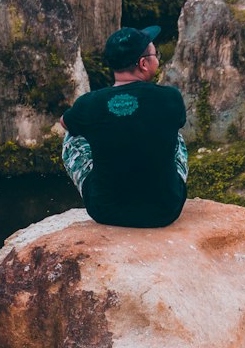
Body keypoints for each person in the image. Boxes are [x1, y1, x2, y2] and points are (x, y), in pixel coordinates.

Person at [61, 25, 188, 228]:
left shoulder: (90, 103)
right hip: (165, 210)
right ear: (143, 63)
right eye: (156, 54)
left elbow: (64, 122)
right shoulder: (170, 97)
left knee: (72, 134)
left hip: (105, 210)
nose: (158, 59)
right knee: (176, 134)